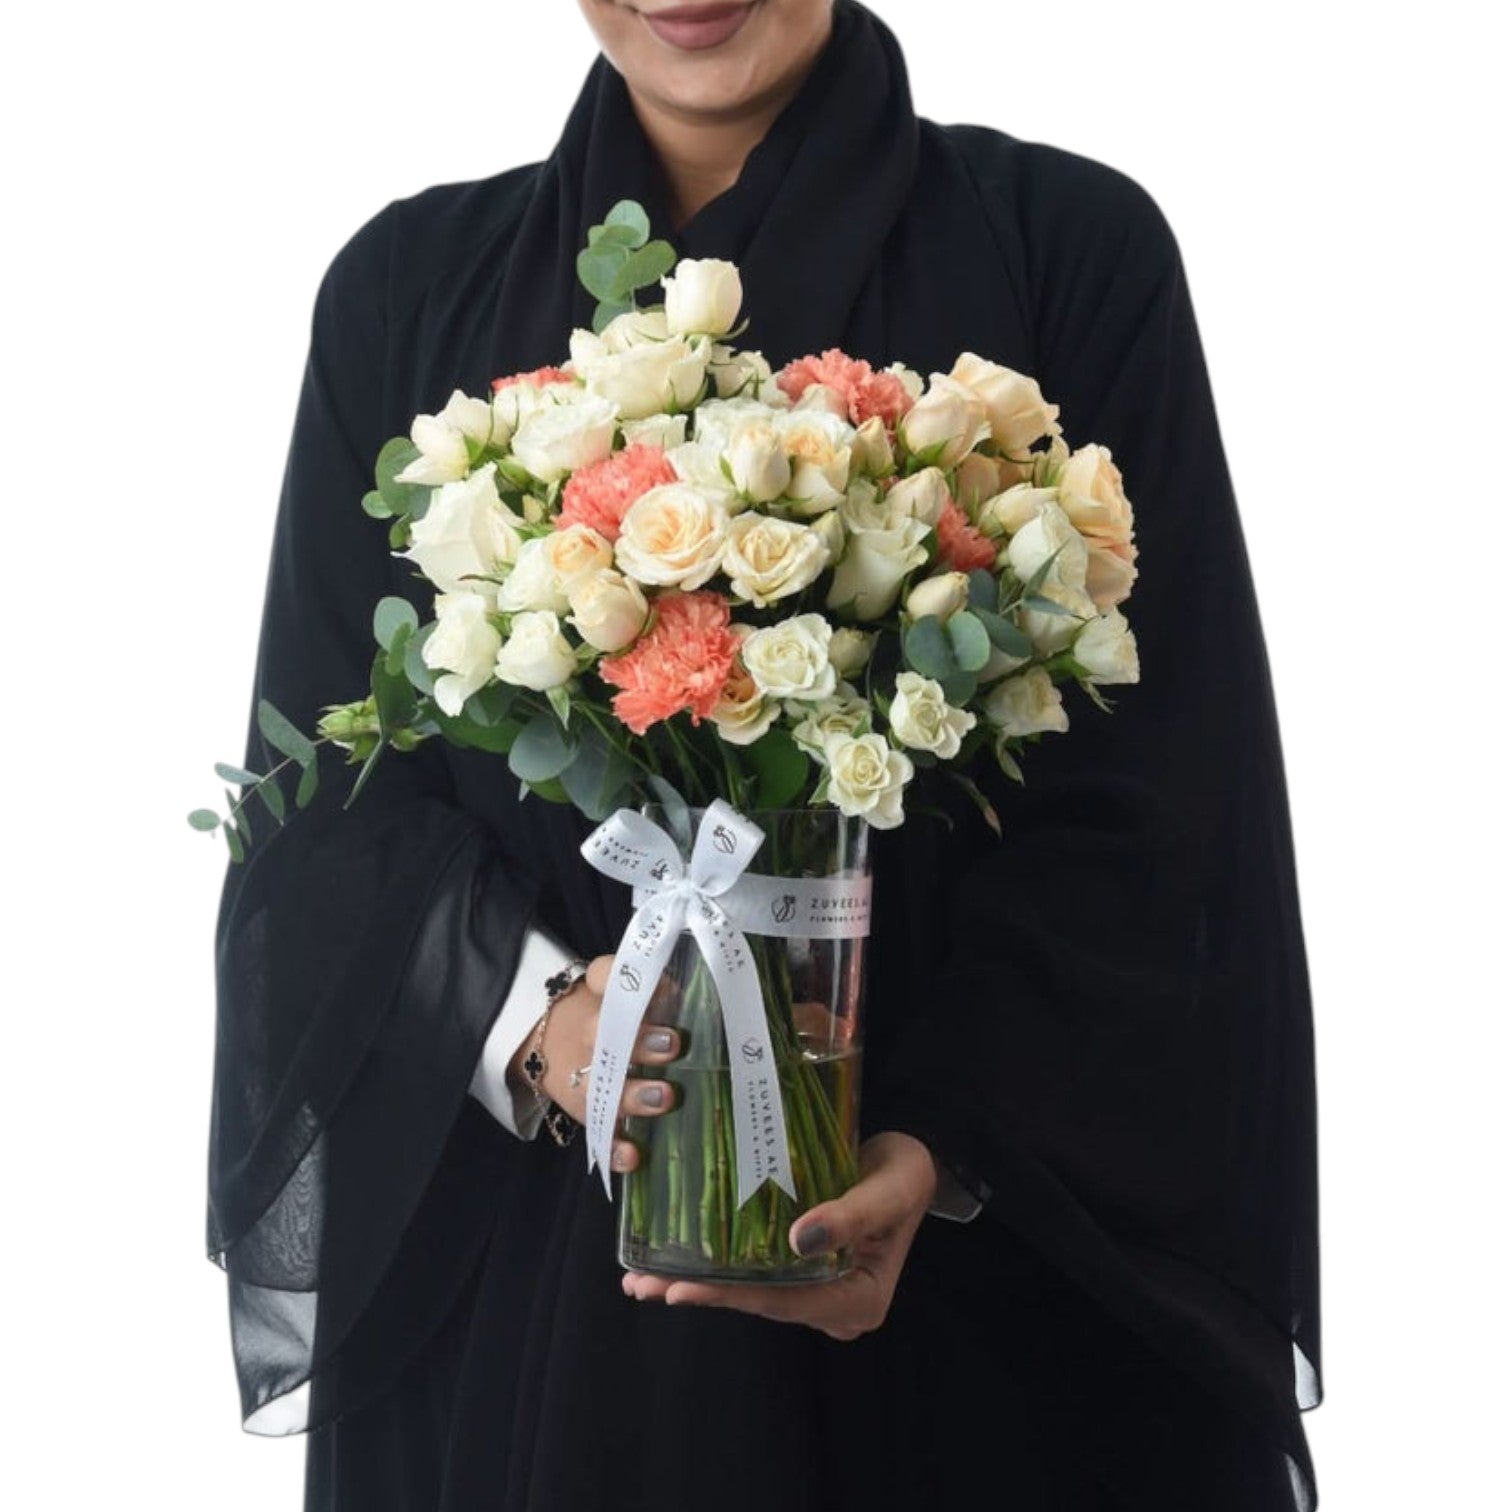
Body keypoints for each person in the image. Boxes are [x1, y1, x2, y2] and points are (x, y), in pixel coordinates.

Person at [205, 2, 1323, 1508]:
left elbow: (1170, 820)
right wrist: (546, 1027)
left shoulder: (1066, 249)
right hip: (531, 1326)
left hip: (979, 1334)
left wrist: (935, 1150)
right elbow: (330, 825)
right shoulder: (406, 292)